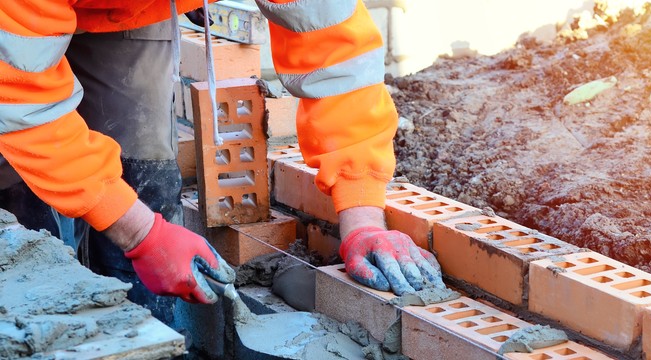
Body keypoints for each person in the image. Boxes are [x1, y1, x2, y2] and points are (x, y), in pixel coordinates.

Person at [0, 0, 444, 324]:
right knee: (22, 202)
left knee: (145, 171)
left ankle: (147, 336)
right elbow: (18, 101)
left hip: (127, 7)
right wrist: (139, 233)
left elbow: (336, 53)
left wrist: (362, 211)